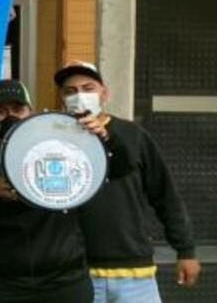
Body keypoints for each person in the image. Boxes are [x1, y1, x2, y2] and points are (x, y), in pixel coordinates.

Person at [56, 61, 201, 302]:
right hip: (76, 275)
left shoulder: (133, 135)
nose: (79, 96)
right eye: (70, 91)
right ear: (62, 98)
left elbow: (165, 196)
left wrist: (186, 251)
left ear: (104, 93)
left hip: (135, 274)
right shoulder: (53, 139)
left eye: (88, 88)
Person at [0, 79, 132, 303]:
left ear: (30, 112)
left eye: (18, 109)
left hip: (63, 279)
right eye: (0, 112)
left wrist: (106, 139)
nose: (10, 117)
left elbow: (120, 168)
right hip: (0, 282)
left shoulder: (61, 146)